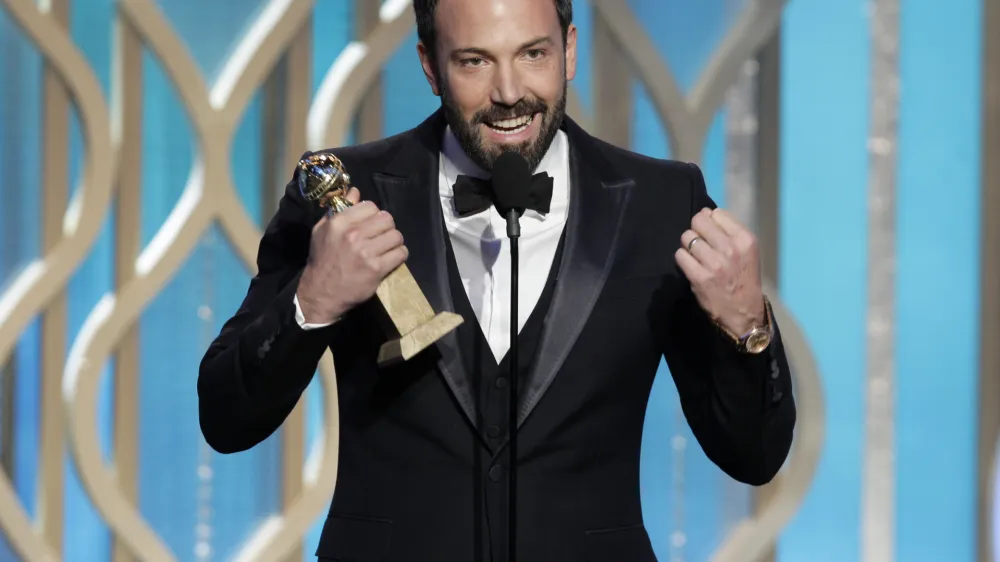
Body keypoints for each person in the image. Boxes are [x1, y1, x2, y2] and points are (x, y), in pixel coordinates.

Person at [197, 0, 796, 559]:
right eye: (474, 61)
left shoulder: (662, 201)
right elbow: (226, 419)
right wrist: (313, 300)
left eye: (533, 54)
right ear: (430, 65)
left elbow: (754, 456)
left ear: (570, 49)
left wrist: (748, 327)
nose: (510, 94)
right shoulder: (345, 195)